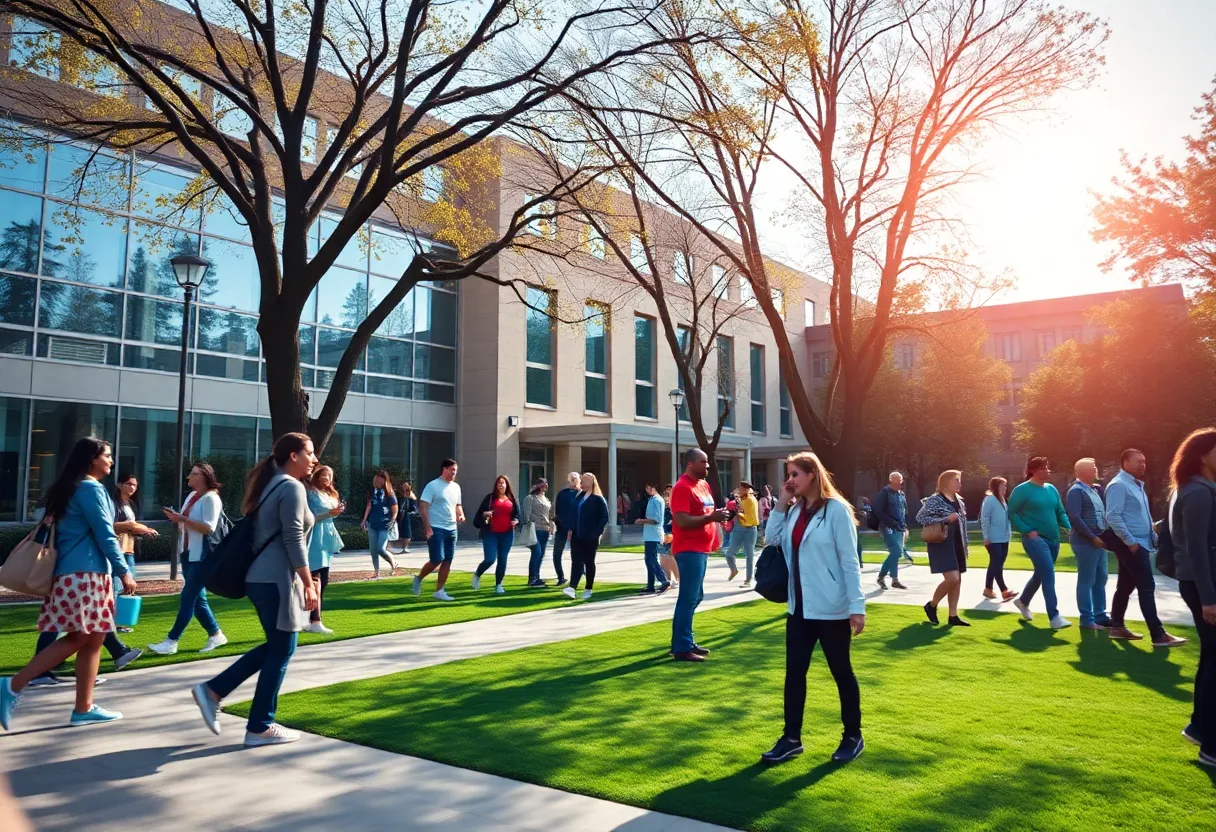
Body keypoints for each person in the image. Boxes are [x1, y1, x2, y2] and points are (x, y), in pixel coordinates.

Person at [189, 432, 320, 747]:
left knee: (279, 647)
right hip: (275, 579)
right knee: (283, 648)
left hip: (264, 579)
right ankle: (258, 724)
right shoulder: (290, 487)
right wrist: (307, 581)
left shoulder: (273, 485)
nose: (315, 459)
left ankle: (216, 693)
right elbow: (292, 537)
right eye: (310, 453)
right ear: (293, 456)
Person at [1, 437, 138, 731]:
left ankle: (83, 708)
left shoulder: (70, 488)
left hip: (75, 574)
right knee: (80, 639)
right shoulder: (90, 488)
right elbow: (104, 533)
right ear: (92, 459)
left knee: (94, 640)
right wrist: (123, 569)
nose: (111, 462)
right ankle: (12, 685)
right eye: (108, 456)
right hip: (85, 575)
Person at [759, 451, 865, 765]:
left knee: (841, 672)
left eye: (795, 475)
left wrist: (856, 606)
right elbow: (772, 539)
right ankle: (791, 738)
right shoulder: (793, 510)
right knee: (794, 674)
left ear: (812, 475)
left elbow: (849, 561)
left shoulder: (836, 511)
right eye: (788, 475)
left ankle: (853, 736)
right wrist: (781, 501)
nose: (789, 480)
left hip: (832, 608)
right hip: (799, 609)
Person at [1103, 449, 1187, 646]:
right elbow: (1113, 516)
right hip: (1132, 545)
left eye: (1144, 461)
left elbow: (1139, 515)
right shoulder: (1119, 485)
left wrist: (1152, 534)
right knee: (1147, 586)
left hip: (1139, 543)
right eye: (1138, 461)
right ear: (1125, 462)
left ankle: (1117, 627)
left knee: (1125, 586)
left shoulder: (1135, 484)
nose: (1143, 465)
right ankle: (1158, 635)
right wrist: (1130, 541)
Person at [1169, 428, 1216, 766]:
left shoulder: (1201, 489)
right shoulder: (1198, 493)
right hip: (1206, 585)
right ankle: (1210, 745)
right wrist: (1209, 598)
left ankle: (1200, 729)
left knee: (1212, 658)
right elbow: (1197, 548)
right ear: (1203, 456)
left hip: (1204, 583)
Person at [149, 463, 228, 656]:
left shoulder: (211, 498)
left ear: (204, 477)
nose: (189, 478)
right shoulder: (192, 497)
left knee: (188, 598)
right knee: (198, 599)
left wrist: (181, 519)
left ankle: (172, 640)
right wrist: (177, 517)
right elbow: (185, 522)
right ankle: (216, 634)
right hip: (187, 553)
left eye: (194, 474)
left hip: (202, 556)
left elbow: (208, 527)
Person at [669, 449, 730, 661]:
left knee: (695, 596)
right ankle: (682, 647)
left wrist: (720, 516)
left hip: (702, 548)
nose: (708, 466)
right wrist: (711, 517)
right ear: (690, 464)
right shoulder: (682, 488)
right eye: (703, 462)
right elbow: (682, 520)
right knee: (689, 597)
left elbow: (707, 513)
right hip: (688, 549)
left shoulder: (703, 485)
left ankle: (682, 640)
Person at [1008, 457, 1072, 629]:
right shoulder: (1022, 490)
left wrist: (1068, 526)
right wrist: (1027, 531)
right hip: (1034, 539)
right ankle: (1054, 617)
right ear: (1033, 470)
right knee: (1048, 574)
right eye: (1044, 468)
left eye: (1048, 468)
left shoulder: (1051, 489)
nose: (1047, 471)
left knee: (1041, 573)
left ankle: (1022, 602)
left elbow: (1060, 511)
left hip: (1054, 539)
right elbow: (1012, 513)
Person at [916, 470, 971, 627]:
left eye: (960, 480)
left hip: (957, 542)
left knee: (957, 580)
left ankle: (953, 616)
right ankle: (932, 605)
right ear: (946, 482)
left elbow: (963, 525)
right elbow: (920, 518)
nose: (960, 483)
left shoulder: (959, 501)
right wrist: (946, 519)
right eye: (957, 480)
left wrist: (965, 545)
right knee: (952, 578)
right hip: (941, 542)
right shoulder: (935, 500)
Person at [1066, 459, 1112, 630]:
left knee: (1101, 578)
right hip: (1085, 541)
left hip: (1100, 540)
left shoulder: (1094, 490)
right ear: (1081, 471)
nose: (1095, 470)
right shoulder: (1076, 491)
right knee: (1087, 580)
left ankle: (1100, 615)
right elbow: (1075, 517)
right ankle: (1086, 619)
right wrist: (1092, 537)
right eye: (1092, 468)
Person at [111, 472, 158, 632]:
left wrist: (141, 529)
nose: (132, 487)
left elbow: (132, 525)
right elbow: (120, 525)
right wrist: (143, 529)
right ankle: (114, 623)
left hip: (129, 550)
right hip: (118, 550)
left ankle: (121, 622)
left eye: (135, 485)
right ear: (119, 485)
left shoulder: (130, 504)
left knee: (128, 587)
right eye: (128, 484)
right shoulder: (113, 503)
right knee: (117, 586)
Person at [413, 459, 464, 601]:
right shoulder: (433, 486)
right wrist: (428, 527)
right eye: (452, 470)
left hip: (452, 528)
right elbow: (423, 507)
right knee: (437, 559)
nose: (454, 473)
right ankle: (419, 578)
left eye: (456, 471)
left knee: (448, 560)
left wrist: (461, 514)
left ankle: (440, 590)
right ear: (444, 469)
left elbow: (457, 505)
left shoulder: (456, 487)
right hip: (436, 528)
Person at [305, 465, 345, 634]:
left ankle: (314, 617)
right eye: (324, 475)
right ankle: (315, 620)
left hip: (326, 537)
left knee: (324, 579)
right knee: (316, 578)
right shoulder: (311, 494)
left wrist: (336, 512)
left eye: (330, 475)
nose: (327, 478)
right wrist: (330, 513)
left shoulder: (329, 493)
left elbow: (331, 512)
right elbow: (311, 517)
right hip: (315, 537)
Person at [562, 473, 610, 600]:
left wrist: (596, 532)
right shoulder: (580, 496)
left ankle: (588, 589)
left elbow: (605, 517)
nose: (581, 483)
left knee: (589, 562)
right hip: (577, 535)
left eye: (584, 481)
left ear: (591, 482)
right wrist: (571, 529)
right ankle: (572, 587)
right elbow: (573, 514)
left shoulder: (598, 498)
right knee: (576, 561)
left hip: (590, 537)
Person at [472, 475, 521, 594]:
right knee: (490, 559)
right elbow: (478, 515)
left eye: (503, 483)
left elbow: (518, 515)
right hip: (490, 533)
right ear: (496, 485)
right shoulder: (489, 498)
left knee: (502, 559)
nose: (501, 485)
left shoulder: (512, 499)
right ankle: (477, 574)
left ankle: (498, 584)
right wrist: (485, 514)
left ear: (507, 485)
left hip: (507, 533)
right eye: (499, 483)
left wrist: (516, 520)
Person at [980, 477, 1016, 602]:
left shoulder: (1004, 501)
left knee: (997, 564)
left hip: (1004, 537)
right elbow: (984, 519)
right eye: (1003, 486)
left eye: (1005, 486)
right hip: (993, 537)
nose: (1005, 488)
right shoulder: (990, 500)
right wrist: (986, 537)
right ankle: (1002, 590)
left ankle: (991, 589)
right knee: (996, 564)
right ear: (996, 487)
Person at [874, 472, 909, 591]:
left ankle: (895, 580)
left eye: (900, 480)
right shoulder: (884, 493)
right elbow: (878, 510)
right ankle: (881, 577)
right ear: (891, 480)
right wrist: (891, 522)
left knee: (896, 554)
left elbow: (904, 510)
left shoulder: (901, 494)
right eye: (896, 480)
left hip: (899, 527)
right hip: (887, 527)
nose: (899, 482)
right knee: (896, 551)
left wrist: (904, 525)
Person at [360, 471, 398, 578]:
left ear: (384, 480)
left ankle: (393, 563)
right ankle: (376, 572)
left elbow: (395, 509)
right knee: (373, 550)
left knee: (380, 548)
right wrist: (364, 520)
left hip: (384, 525)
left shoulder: (389, 493)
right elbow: (369, 505)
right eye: (376, 478)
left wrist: (392, 520)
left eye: (379, 478)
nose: (376, 480)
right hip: (373, 523)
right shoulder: (373, 491)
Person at [723, 481, 761, 586]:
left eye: (740, 488)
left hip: (750, 529)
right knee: (730, 554)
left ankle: (748, 580)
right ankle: (734, 570)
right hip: (739, 528)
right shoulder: (742, 499)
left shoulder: (750, 500)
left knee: (749, 555)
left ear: (745, 488)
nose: (738, 490)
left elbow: (747, 515)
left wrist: (737, 508)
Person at [636, 482, 671, 595]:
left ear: (655, 487)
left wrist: (642, 521)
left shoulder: (657, 500)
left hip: (654, 534)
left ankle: (664, 581)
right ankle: (650, 585)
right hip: (649, 534)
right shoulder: (651, 499)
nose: (648, 489)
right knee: (648, 559)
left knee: (652, 559)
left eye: (650, 487)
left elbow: (657, 519)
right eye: (646, 487)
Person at [521, 478, 554, 587]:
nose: (545, 485)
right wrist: (530, 524)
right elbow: (526, 515)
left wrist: (551, 525)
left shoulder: (546, 499)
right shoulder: (530, 498)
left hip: (545, 530)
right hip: (534, 530)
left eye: (546, 483)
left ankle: (536, 577)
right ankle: (533, 578)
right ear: (537, 485)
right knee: (537, 553)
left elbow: (549, 515)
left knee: (540, 555)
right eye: (542, 483)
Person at [552, 472, 581, 587]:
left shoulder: (582, 494)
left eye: (576, 479)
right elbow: (558, 511)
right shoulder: (563, 494)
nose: (574, 481)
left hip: (577, 529)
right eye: (572, 479)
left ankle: (579, 573)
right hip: (562, 528)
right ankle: (560, 577)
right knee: (557, 554)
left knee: (577, 554)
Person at [659, 485, 679, 586]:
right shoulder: (663, 509)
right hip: (663, 534)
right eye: (666, 495)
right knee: (663, 558)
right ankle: (668, 580)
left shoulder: (676, 508)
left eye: (670, 494)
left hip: (674, 534)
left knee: (671, 558)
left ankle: (678, 579)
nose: (667, 497)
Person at [393, 482, 418, 555]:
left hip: (407, 516)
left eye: (406, 487)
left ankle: (405, 547)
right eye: (403, 486)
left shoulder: (411, 497)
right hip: (400, 515)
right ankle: (401, 547)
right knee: (401, 531)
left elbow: (414, 507)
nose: (404, 488)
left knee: (407, 532)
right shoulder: (399, 496)